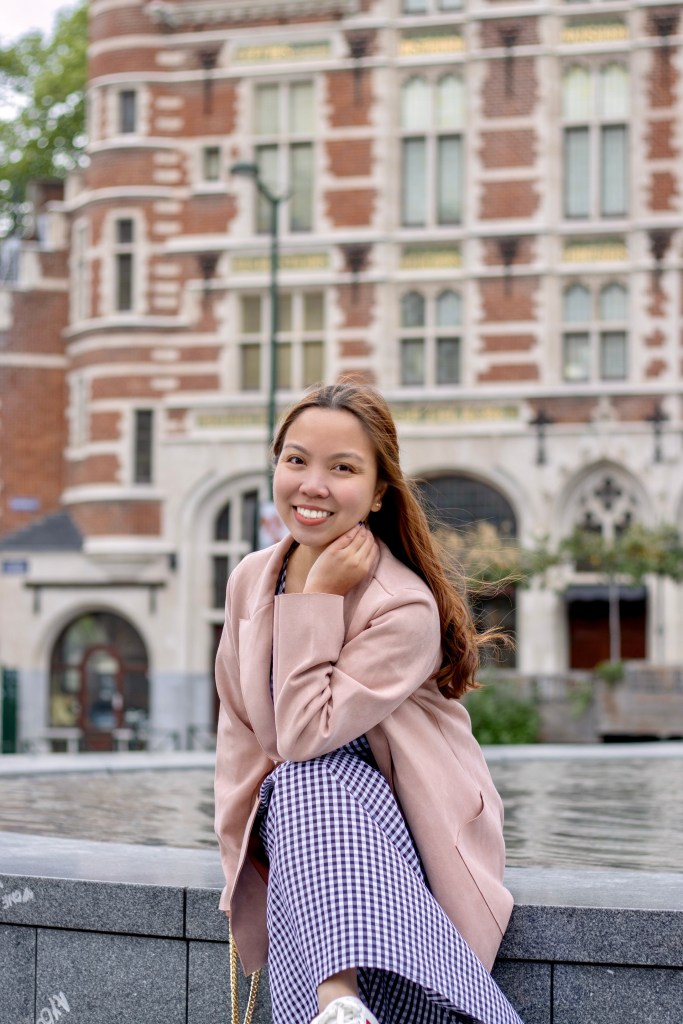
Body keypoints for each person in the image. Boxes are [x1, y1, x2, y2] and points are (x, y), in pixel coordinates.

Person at [214, 381, 525, 1024]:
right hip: (306, 832)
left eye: (343, 468)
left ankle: (338, 1002)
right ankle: (341, 1006)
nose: (313, 485)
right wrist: (241, 857)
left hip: (411, 829)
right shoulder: (251, 577)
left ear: (380, 491)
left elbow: (303, 735)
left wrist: (319, 600)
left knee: (306, 776)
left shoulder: (401, 604)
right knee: (298, 785)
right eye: (296, 460)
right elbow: (240, 730)